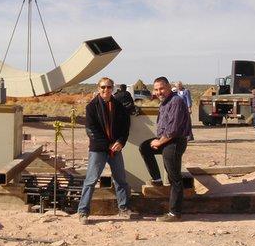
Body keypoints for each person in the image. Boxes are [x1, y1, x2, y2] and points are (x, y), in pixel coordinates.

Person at [77, 77, 133, 224]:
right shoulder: (91, 107)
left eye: (108, 87)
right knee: (91, 180)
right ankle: (83, 211)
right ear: (98, 88)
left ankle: (124, 208)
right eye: (103, 87)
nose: (105, 90)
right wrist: (107, 145)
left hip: (115, 148)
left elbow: (125, 127)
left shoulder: (119, 106)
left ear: (112, 88)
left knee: (121, 180)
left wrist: (121, 141)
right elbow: (91, 130)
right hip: (99, 149)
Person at [139, 76, 191, 222]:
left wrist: (159, 142)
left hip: (174, 142)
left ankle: (175, 213)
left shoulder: (176, 102)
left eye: (161, 88)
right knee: (145, 147)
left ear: (168, 87)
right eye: (156, 89)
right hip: (166, 141)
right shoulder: (164, 103)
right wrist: (158, 142)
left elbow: (173, 129)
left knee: (174, 178)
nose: (159, 92)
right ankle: (157, 179)